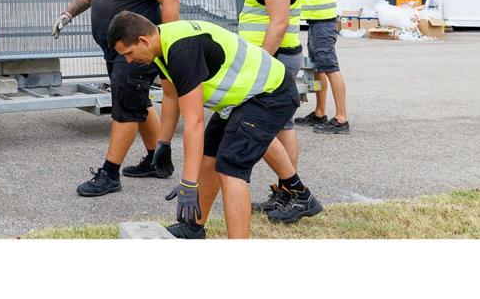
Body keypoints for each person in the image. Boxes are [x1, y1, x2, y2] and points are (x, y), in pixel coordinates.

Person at [107, 13, 323, 238]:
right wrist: (164, 143)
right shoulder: (161, 45)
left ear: (143, 40)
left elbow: (194, 121)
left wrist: (188, 183)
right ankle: (193, 228)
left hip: (270, 94)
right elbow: (171, 97)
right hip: (242, 98)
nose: (129, 61)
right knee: (209, 156)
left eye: (129, 53)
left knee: (230, 167)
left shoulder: (181, 51)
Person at [53, 0, 182, 196]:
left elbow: (170, 0)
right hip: (115, 50)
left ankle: (110, 174)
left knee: (125, 109)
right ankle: (157, 160)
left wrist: (170, 43)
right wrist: (68, 13)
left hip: (138, 51)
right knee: (138, 103)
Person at [233, 0, 322, 221]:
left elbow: (279, 22)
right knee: (283, 125)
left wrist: (260, 63)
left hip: (275, 59)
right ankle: (287, 192)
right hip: (276, 58)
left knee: (259, 125)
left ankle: (295, 192)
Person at [285, 0, 349, 134]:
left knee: (330, 67)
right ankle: (320, 112)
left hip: (323, 26)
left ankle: (341, 119)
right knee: (319, 68)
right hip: (321, 24)